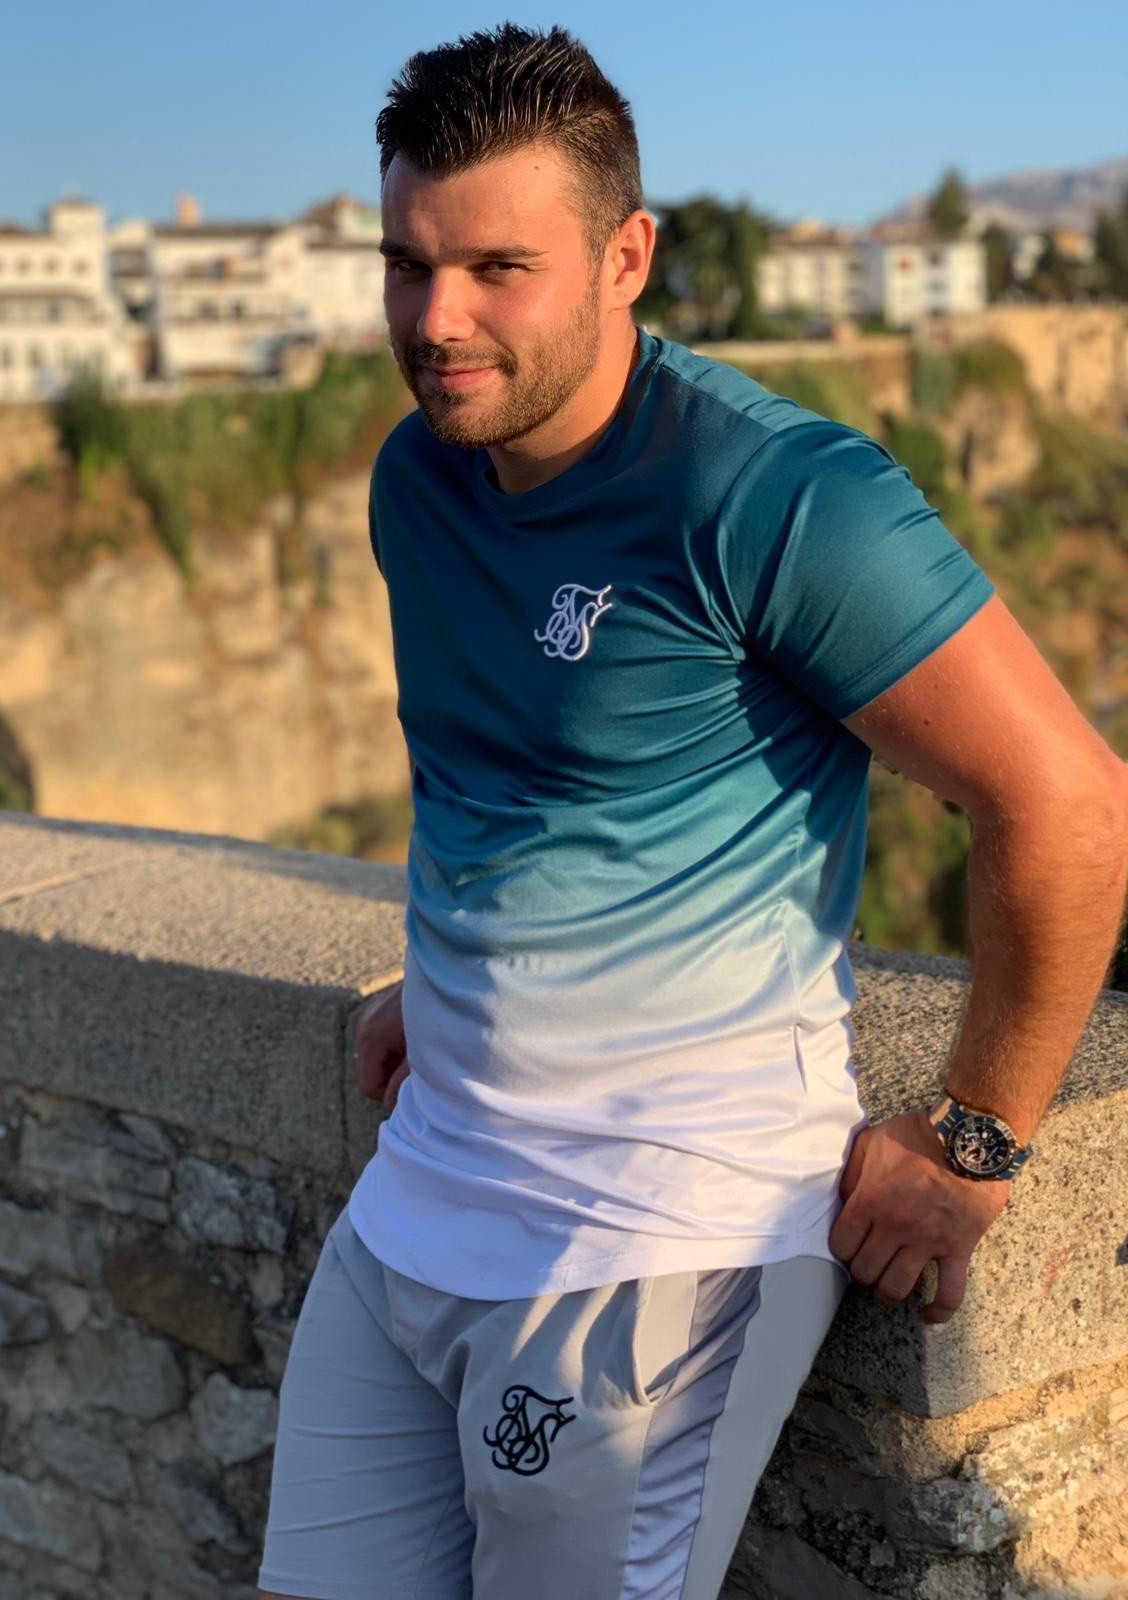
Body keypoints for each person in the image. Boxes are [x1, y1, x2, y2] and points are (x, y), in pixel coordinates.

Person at [258, 24, 1128, 1600]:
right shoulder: (420, 478)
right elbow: (497, 775)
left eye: (497, 268)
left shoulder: (775, 496)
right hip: (417, 1206)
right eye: (406, 264)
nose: (436, 320)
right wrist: (452, 982)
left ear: (626, 256)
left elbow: (1067, 801)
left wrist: (976, 1141)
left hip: (651, 1244)